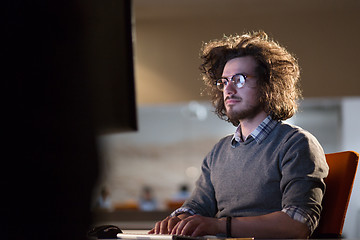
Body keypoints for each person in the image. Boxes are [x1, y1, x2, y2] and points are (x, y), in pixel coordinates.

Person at [149, 31, 329, 239]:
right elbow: (198, 206)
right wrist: (178, 219)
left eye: (239, 79)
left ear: (268, 84)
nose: (229, 89)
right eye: (224, 81)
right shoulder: (219, 151)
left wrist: (218, 226)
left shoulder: (297, 143)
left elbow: (297, 225)